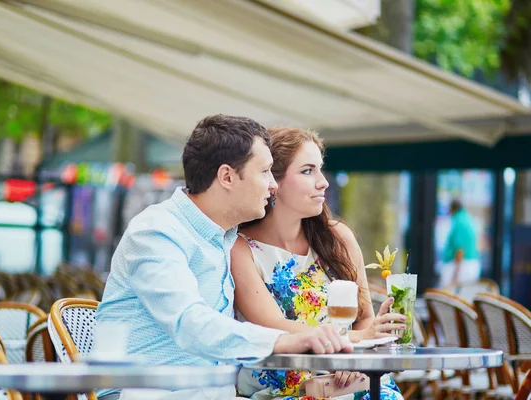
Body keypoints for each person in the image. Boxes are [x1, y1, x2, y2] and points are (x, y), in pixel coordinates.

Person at [96, 115, 352, 400]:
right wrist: (286, 339)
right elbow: (189, 323)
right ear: (227, 176)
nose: (273, 185)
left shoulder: (224, 238)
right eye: (265, 172)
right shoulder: (157, 231)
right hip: (145, 393)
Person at [231, 126, 404, 400]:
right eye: (307, 171)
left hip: (346, 383)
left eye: (320, 169)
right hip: (281, 389)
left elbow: (364, 318)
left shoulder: (338, 238)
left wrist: (351, 359)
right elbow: (275, 327)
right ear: (273, 182)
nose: (323, 182)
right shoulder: (241, 249)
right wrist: (353, 341)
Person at [440, 199, 481, 287]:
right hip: (469, 264)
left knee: (450, 295)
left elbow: (460, 249)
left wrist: (455, 275)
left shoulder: (460, 222)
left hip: (462, 266)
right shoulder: (468, 218)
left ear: (452, 209)